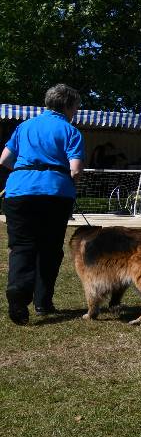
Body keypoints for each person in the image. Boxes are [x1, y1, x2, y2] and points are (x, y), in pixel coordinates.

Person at [1, 84, 85, 322]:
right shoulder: (71, 131)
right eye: (76, 107)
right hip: (55, 193)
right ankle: (42, 302)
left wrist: (25, 172)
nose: (75, 112)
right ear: (68, 105)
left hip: (19, 191)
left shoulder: (24, 126)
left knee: (22, 245)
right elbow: (75, 169)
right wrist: (69, 182)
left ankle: (18, 291)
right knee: (49, 248)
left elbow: (4, 159)